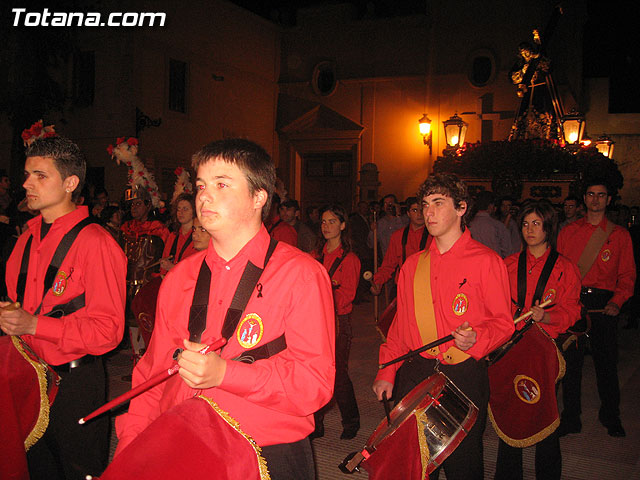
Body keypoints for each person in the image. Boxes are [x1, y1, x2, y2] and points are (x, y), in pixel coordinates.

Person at [115, 139, 335, 479]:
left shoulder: (301, 274)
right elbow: (152, 375)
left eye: (222, 184)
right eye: (201, 185)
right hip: (184, 445)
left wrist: (226, 375)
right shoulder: (179, 277)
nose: (204, 196)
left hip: (265, 451)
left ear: (259, 196)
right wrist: (131, 448)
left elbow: (314, 384)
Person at [0, 136, 126, 479]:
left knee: (77, 470)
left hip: (76, 381)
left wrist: (34, 326)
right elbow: (18, 303)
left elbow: (109, 331)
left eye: (40, 176)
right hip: (29, 377)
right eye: (27, 174)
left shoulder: (97, 242)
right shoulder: (25, 239)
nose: (26, 183)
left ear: (70, 183)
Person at [373, 173, 514, 480]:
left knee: (463, 464)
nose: (429, 213)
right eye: (425, 204)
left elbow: (503, 324)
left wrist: (477, 338)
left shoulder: (486, 261)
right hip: (416, 372)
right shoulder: (412, 266)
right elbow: (400, 327)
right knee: (416, 464)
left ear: (462, 207)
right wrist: (387, 371)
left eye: (439, 203)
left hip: (464, 374)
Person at [493, 199, 581, 480]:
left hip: (543, 349)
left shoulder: (565, 267)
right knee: (508, 408)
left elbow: (572, 310)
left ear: (548, 228)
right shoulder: (507, 264)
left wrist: (547, 318)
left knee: (544, 410)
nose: (530, 230)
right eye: (526, 224)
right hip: (510, 348)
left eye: (536, 224)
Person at [557, 181, 635, 438]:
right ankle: (571, 417)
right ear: (584, 198)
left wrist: (618, 301)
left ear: (609, 200)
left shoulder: (620, 235)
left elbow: (627, 275)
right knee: (571, 365)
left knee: (606, 365)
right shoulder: (568, 232)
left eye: (601, 195)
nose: (595, 200)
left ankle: (611, 415)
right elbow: (559, 272)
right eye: (591, 194)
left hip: (604, 306)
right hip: (574, 303)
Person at [312, 204, 361, 440]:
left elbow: (347, 295)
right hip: (315, 321)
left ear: (342, 225)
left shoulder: (349, 259)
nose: (326, 226)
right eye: (323, 222)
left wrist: (321, 294)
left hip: (338, 322)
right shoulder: (315, 255)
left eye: (332, 221)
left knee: (338, 374)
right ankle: (316, 423)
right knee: (315, 372)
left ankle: (351, 421)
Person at [370, 196, 430, 296]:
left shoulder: (435, 236)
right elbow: (388, 264)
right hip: (404, 286)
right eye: (414, 210)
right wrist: (378, 281)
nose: (419, 214)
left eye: (422, 210)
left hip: (427, 287)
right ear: (408, 213)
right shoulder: (398, 236)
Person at [159, 193, 197, 275]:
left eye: (185, 209)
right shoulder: (173, 236)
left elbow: (195, 271)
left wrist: (172, 267)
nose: (181, 212)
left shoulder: (198, 237)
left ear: (194, 211)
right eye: (178, 209)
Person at [469, 190, 513, 258]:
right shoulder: (498, 226)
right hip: (493, 264)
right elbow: (508, 251)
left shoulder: (467, 225)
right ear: (491, 206)